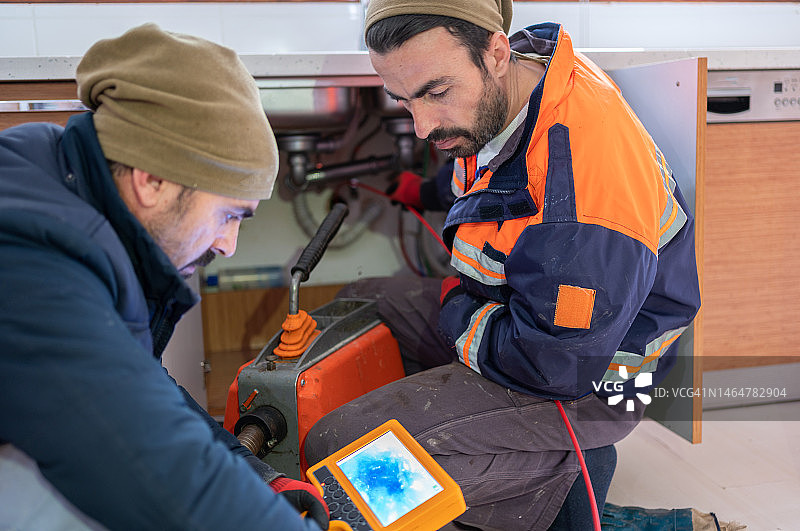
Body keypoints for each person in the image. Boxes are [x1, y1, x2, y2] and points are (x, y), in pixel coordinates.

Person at [304, 1, 701, 529]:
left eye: (436, 94)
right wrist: (422, 190)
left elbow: (554, 362)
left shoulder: (583, 182)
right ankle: (518, 470)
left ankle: (572, 485)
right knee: (359, 307)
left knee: (346, 458)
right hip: (523, 320)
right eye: (402, 101)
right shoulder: (519, 87)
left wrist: (455, 308)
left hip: (593, 377)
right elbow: (492, 173)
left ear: (494, 51)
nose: (421, 126)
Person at [0, 24, 328, 531]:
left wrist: (256, 478)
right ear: (151, 179)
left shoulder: (64, 180)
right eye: (229, 214)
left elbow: (133, 383)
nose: (227, 244)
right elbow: (153, 467)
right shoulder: (30, 257)